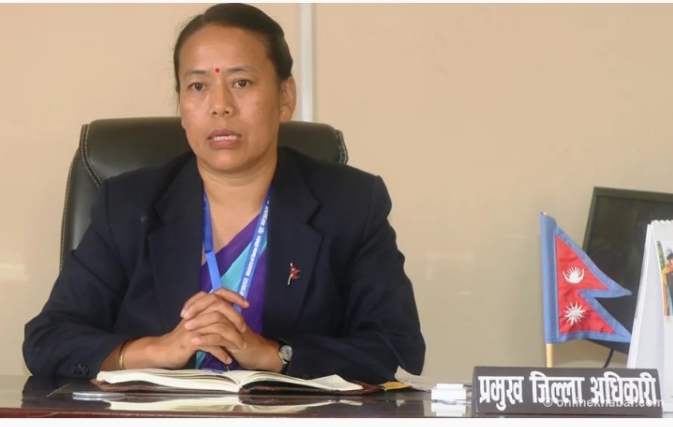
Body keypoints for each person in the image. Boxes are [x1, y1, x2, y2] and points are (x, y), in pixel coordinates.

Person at [22, 3, 425, 384]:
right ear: (182, 105)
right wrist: (158, 350)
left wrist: (274, 355)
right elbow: (48, 340)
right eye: (198, 85)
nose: (219, 106)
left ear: (285, 98)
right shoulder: (128, 205)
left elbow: (395, 345)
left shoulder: (350, 203)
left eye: (241, 82)